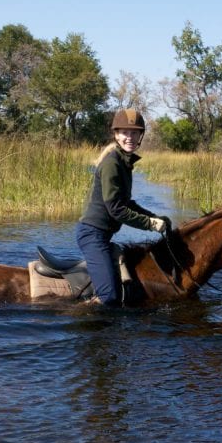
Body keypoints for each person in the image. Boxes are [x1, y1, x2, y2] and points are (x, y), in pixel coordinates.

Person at [76, 109, 170, 306]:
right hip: (93, 235)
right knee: (109, 297)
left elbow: (127, 203)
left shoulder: (124, 163)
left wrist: (155, 216)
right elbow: (116, 209)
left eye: (135, 133)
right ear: (116, 135)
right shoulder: (112, 163)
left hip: (103, 235)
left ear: (140, 136)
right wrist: (150, 224)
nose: (130, 137)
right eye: (125, 132)